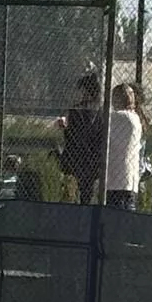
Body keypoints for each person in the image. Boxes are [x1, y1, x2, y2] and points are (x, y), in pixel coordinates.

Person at [55, 73, 104, 204]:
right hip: (94, 159)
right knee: (87, 192)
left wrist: (65, 128)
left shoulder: (76, 111)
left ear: (86, 91)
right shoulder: (101, 111)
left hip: (77, 158)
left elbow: (72, 136)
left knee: (76, 191)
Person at [106, 83, 144, 210]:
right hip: (129, 180)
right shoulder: (135, 117)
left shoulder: (121, 117)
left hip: (117, 181)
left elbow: (102, 121)